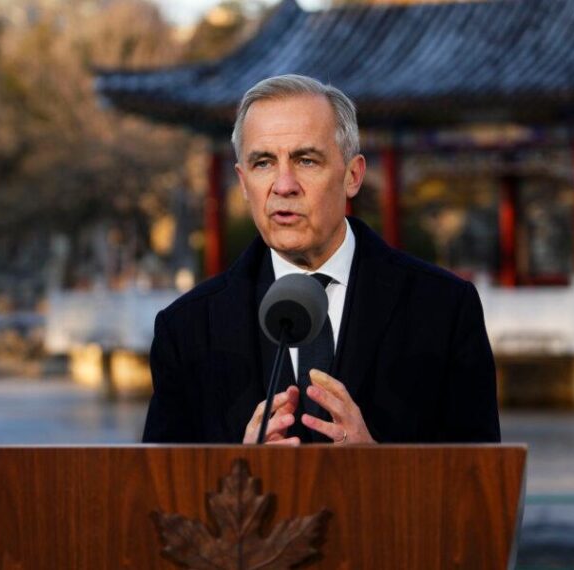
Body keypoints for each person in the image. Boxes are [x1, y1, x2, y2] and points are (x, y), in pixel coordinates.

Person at [142, 74, 500, 445]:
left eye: (306, 160)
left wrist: (381, 466)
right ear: (243, 182)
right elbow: (157, 481)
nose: (283, 185)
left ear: (353, 175)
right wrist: (237, 468)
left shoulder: (444, 310)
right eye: (263, 163)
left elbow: (484, 477)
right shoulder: (186, 329)